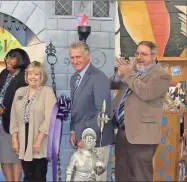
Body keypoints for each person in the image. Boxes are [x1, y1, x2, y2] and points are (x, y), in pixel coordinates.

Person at [110, 41, 171, 181]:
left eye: (143, 54)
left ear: (154, 56)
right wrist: (119, 75)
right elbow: (111, 83)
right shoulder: (132, 73)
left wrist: (129, 74)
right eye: (137, 53)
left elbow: (146, 93)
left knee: (141, 177)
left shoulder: (162, 76)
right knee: (122, 176)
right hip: (122, 133)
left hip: (142, 136)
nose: (138, 57)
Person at [68, 41, 115, 181]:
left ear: (88, 56)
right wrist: (73, 130)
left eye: (78, 57)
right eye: (72, 57)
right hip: (82, 139)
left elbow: (103, 113)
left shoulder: (98, 77)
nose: (75, 61)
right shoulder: (74, 78)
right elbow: (76, 108)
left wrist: (87, 137)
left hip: (96, 140)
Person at [10, 61, 56, 181]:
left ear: (42, 76)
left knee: (39, 176)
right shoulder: (19, 92)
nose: (32, 77)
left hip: (39, 141)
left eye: (36, 74)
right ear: (26, 75)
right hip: (23, 141)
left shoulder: (47, 92)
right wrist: (14, 139)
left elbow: (50, 118)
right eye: (30, 74)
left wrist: (38, 140)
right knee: (28, 176)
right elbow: (13, 117)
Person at [0, 48, 30, 181]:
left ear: (20, 60)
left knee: (15, 157)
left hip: (15, 123)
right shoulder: (4, 73)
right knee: (3, 155)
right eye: (7, 58)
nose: (8, 61)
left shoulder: (25, 76)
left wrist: (6, 110)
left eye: (12, 58)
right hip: (0, 122)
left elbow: (26, 103)